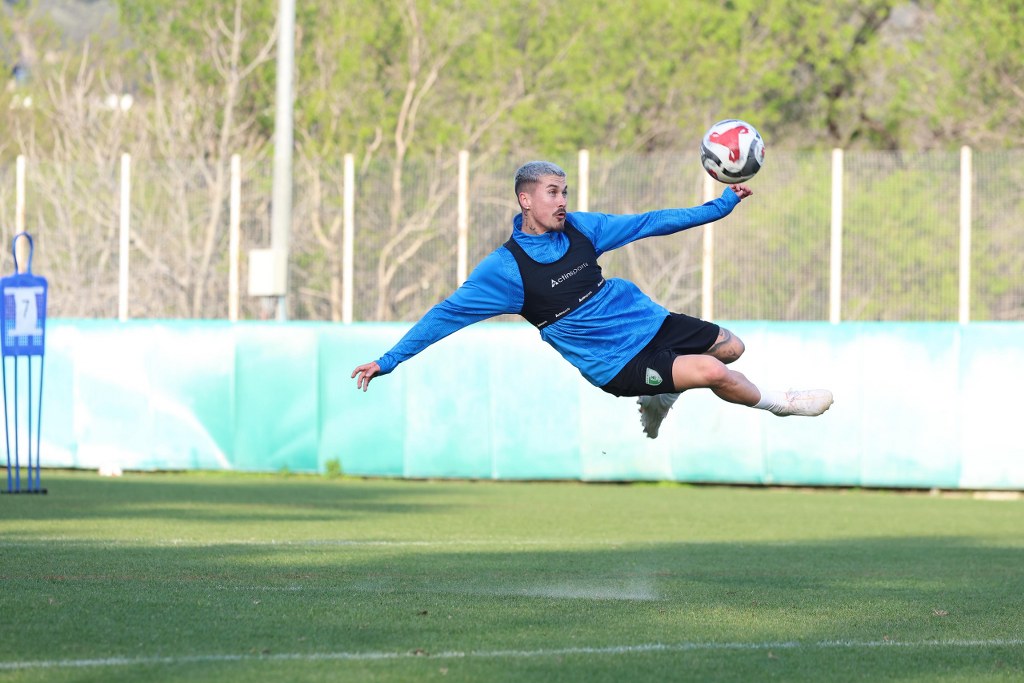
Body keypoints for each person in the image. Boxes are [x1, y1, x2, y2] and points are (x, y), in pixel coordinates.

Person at [351, 160, 833, 438]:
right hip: (615, 363)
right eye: (552, 193)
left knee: (731, 349)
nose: (563, 201)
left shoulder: (584, 227)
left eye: (565, 192)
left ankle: (662, 392)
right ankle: (782, 403)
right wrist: (388, 361)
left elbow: (649, 222)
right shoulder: (506, 270)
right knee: (711, 372)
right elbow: (445, 316)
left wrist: (721, 205)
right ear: (525, 201)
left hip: (646, 320)